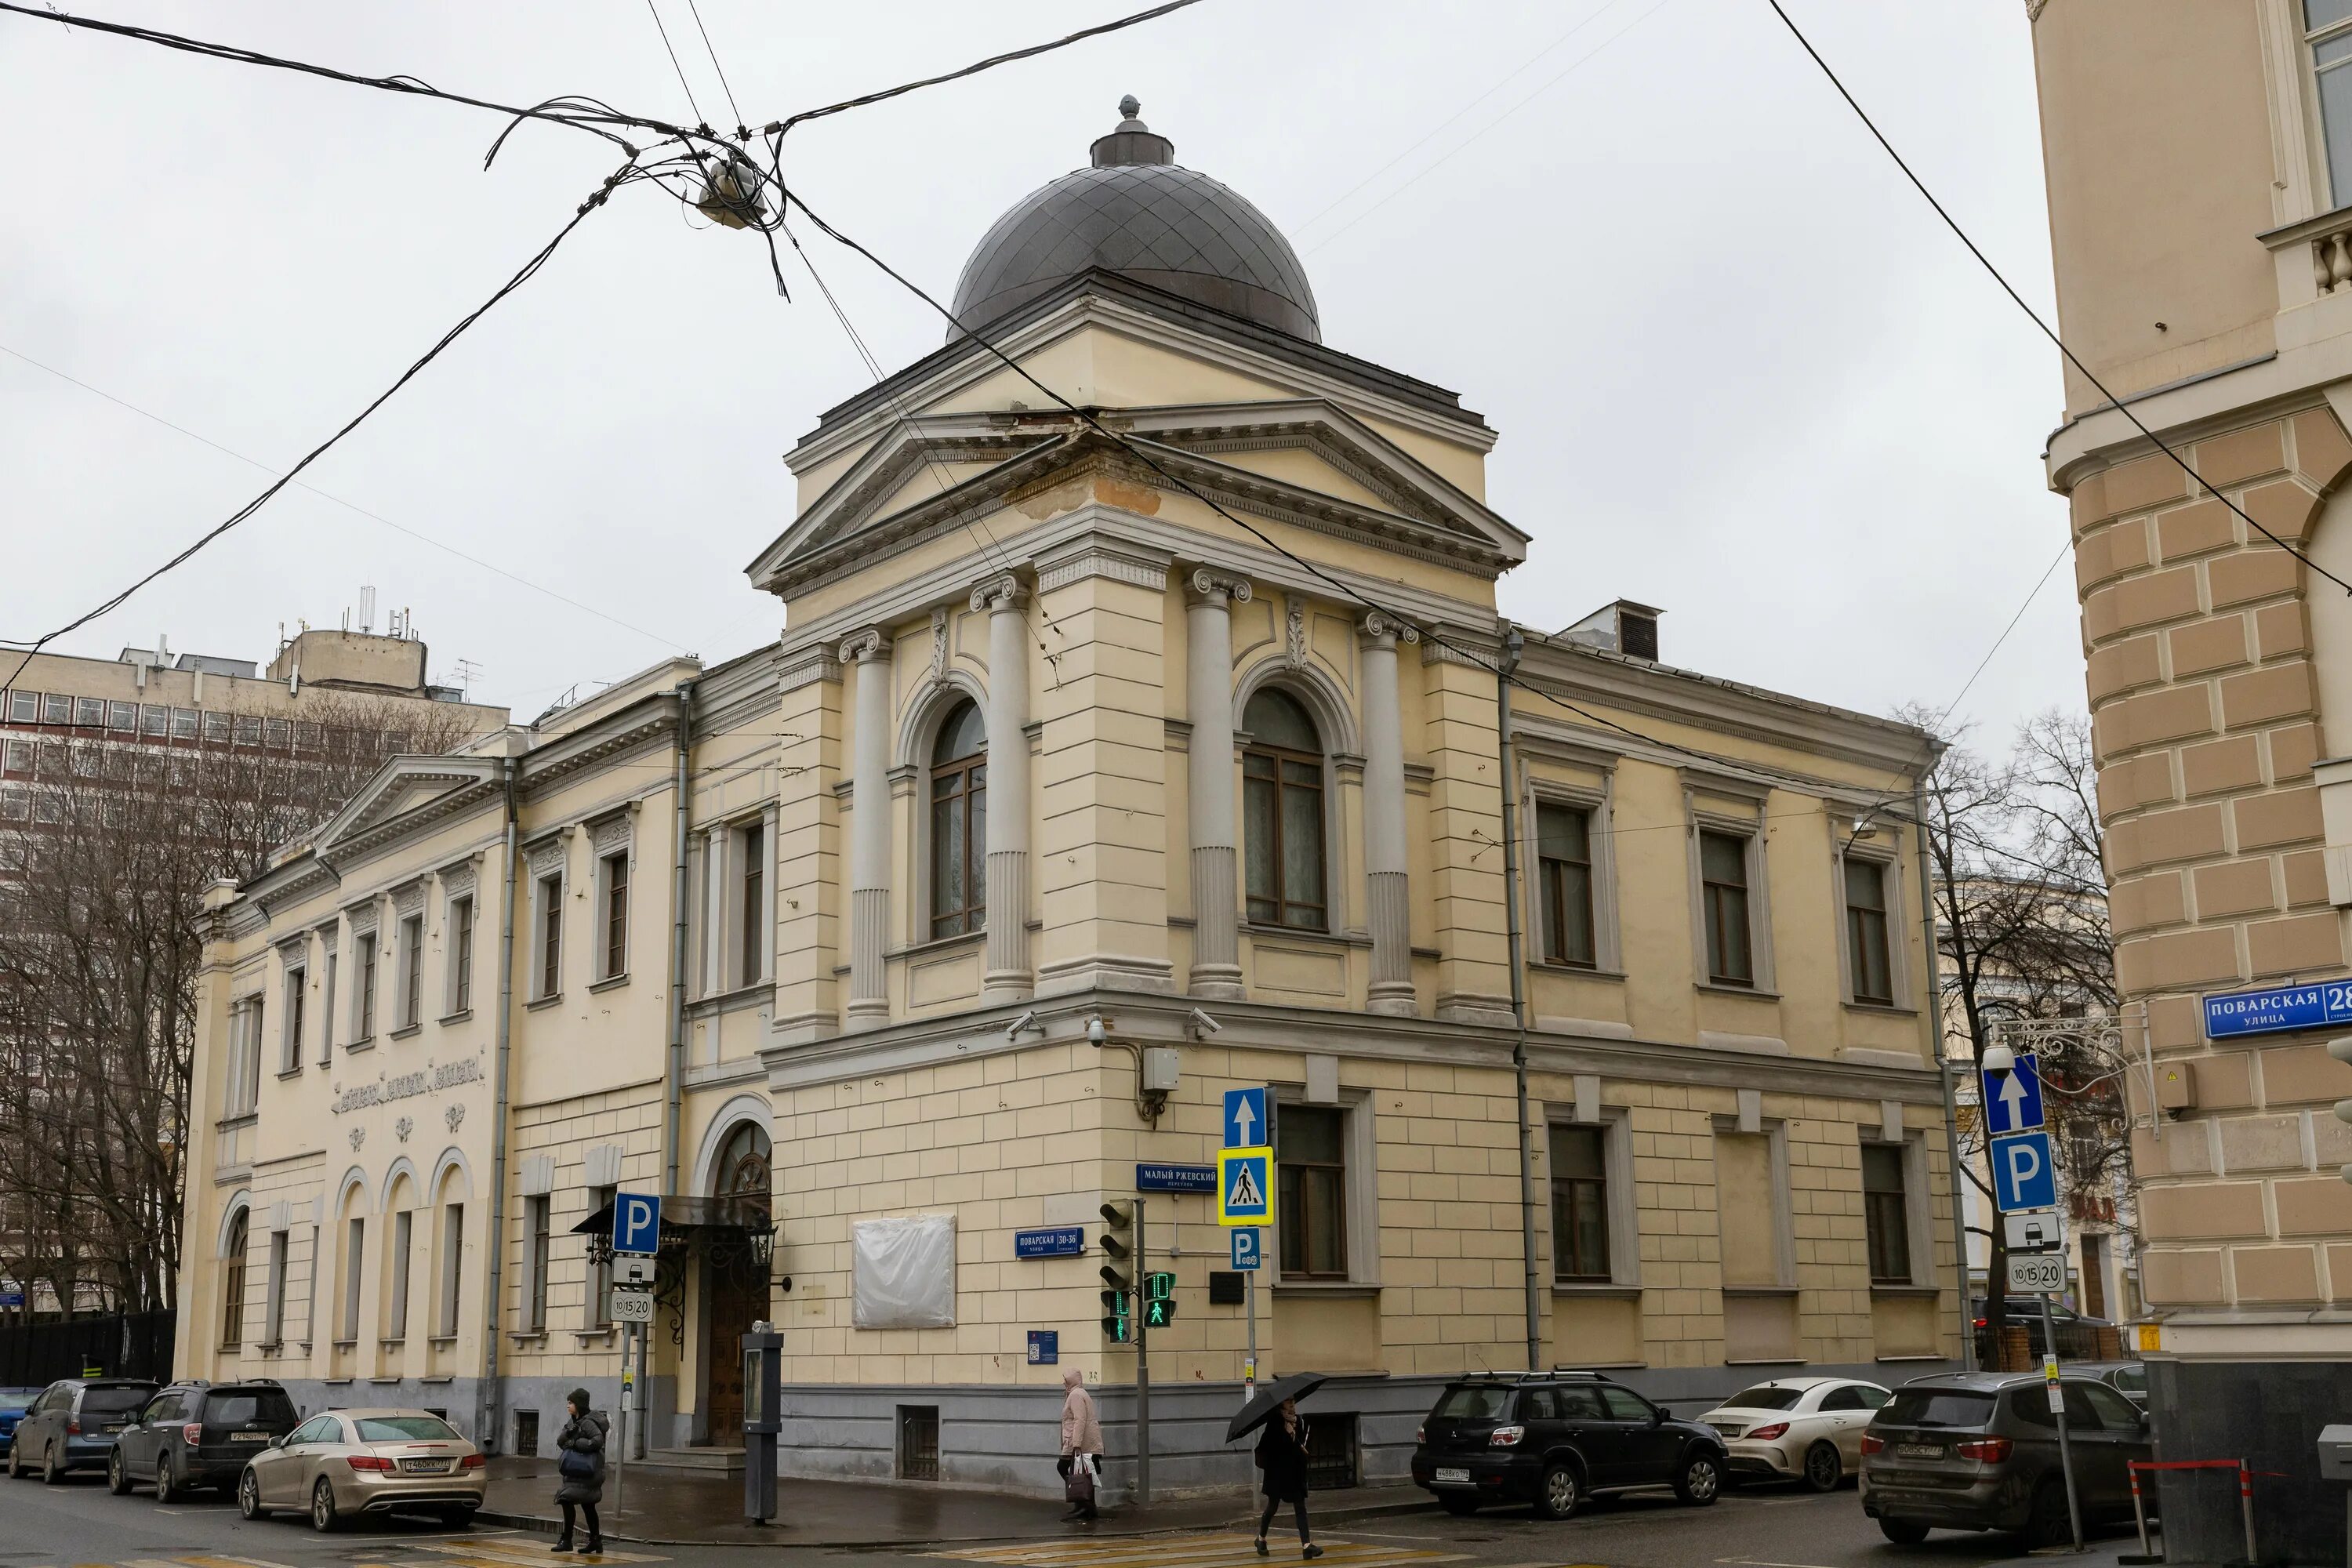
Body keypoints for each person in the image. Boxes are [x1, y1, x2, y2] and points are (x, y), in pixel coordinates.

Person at [1254, 1398, 1319, 1559]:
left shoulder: (1300, 1422)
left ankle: (1306, 1546)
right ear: (1281, 1404)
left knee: (1300, 1507)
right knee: (1272, 1507)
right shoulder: (1275, 1423)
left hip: (1295, 1472)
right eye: (1288, 1401)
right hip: (1278, 1473)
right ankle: (1261, 1539)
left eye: (1293, 1401)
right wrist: (1286, 1433)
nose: (1292, 1404)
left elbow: (1304, 1443)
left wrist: (1300, 1441)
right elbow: (1268, 1447)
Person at [552, 1388, 608, 1554]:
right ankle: (593, 1541)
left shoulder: (588, 1422)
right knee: (582, 1504)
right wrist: (569, 1434)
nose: (567, 1406)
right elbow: (561, 1442)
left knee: (574, 1502)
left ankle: (570, 1540)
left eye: (571, 1403)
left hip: (588, 1470)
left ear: (579, 1405)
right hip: (575, 1470)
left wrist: (577, 1443)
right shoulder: (572, 1422)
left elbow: (597, 1441)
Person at [1056, 1366, 1103, 1523]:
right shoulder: (1079, 1393)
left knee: (1064, 1468)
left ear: (1071, 1380)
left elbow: (1080, 1420)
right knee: (1083, 1474)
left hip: (1079, 1443)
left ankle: (1085, 1505)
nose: (1063, 1383)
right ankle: (1086, 1506)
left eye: (1065, 1380)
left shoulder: (1076, 1395)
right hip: (1085, 1442)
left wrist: (1075, 1444)